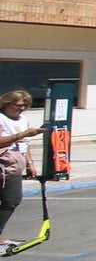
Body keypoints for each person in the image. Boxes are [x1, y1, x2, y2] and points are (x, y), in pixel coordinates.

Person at [0, 89, 43, 248]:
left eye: (24, 106)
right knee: (10, 200)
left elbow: (25, 144)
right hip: (2, 163)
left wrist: (30, 163)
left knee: (12, 200)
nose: (21, 109)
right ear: (6, 103)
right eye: (17, 105)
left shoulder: (23, 119)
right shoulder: (1, 118)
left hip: (14, 166)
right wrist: (22, 134)